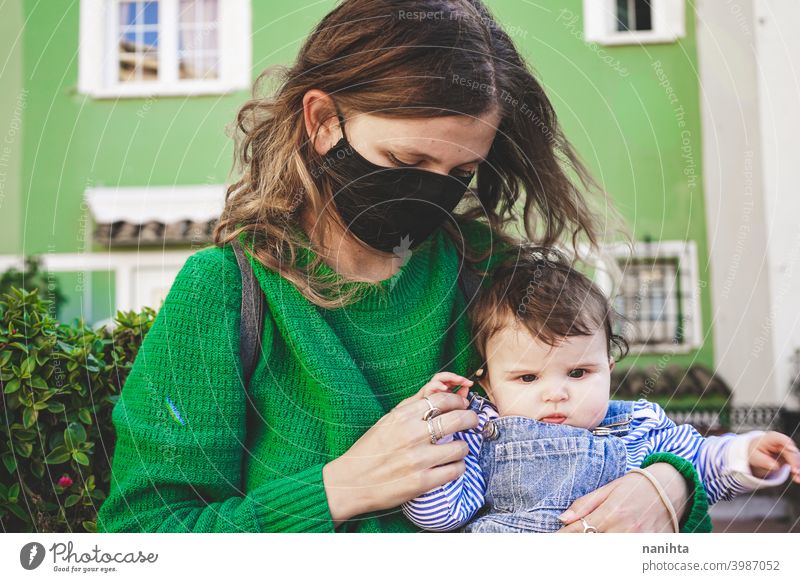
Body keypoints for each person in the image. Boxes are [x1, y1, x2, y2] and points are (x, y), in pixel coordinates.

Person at [96, 0, 712, 533]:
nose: (431, 194)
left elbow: (608, 432)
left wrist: (669, 487)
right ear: (322, 122)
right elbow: (144, 533)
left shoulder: (495, 276)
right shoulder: (227, 295)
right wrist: (340, 488)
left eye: (460, 173)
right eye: (404, 157)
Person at [401, 247, 800, 532]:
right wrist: (434, 428)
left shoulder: (638, 425)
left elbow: (701, 466)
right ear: (487, 384)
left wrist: (746, 455)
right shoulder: (479, 434)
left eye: (578, 372)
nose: (556, 393)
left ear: (609, 370)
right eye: (527, 378)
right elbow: (441, 515)